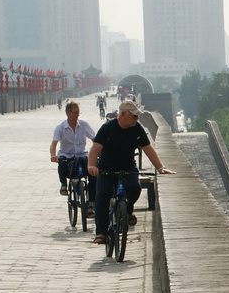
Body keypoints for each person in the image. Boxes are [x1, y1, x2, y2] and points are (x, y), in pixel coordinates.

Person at [86, 100, 170, 246]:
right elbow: (95, 149)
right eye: (134, 116)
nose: (136, 119)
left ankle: (128, 210)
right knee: (102, 197)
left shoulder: (137, 129)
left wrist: (160, 168)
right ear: (123, 114)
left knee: (135, 188)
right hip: (107, 169)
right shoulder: (107, 128)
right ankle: (101, 232)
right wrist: (92, 166)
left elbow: (148, 148)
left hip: (128, 168)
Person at [51, 100, 96, 198]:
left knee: (93, 171)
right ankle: (63, 184)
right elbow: (54, 144)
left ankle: (90, 202)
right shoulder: (60, 127)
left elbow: (95, 139)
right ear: (67, 113)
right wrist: (53, 155)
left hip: (82, 155)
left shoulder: (84, 125)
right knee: (61, 161)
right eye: (74, 113)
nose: (77, 115)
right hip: (67, 155)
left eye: (78, 112)